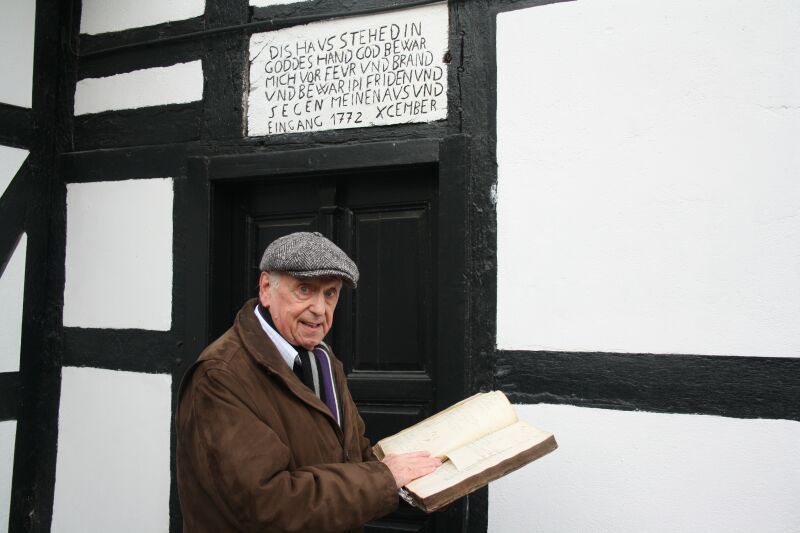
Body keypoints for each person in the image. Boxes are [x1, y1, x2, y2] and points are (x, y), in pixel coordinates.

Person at [176, 232, 441, 532]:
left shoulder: (323, 361)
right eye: (305, 289)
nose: (319, 308)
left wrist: (422, 469)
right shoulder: (220, 376)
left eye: (330, 293)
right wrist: (383, 478)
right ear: (266, 289)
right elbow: (267, 503)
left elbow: (352, 454)